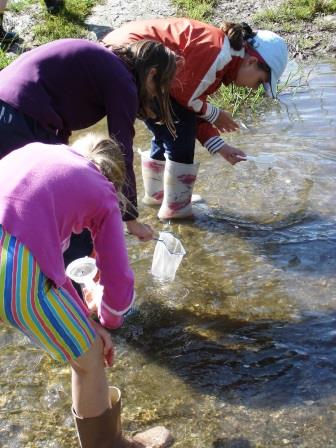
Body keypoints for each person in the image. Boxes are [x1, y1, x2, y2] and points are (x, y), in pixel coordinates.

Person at [0, 134, 173, 448]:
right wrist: (108, 321)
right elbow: (119, 280)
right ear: (114, 181)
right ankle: (110, 446)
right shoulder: (102, 191)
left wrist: (86, 321)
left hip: (14, 253)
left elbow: (52, 269)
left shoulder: (41, 154)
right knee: (88, 356)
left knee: (84, 340)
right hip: (12, 270)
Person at [0, 37, 177, 266]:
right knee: (71, 217)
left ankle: (24, 276)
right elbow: (122, 151)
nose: (154, 96)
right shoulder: (123, 81)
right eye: (159, 89)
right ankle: (71, 290)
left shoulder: (106, 62)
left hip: (11, 108)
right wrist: (131, 218)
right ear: (152, 73)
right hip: (17, 118)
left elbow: (60, 118)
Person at [103, 18, 288, 219]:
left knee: (166, 130)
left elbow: (188, 105)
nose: (254, 88)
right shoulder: (218, 53)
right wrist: (215, 114)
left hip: (123, 58)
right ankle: (176, 210)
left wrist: (219, 146)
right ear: (251, 61)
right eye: (260, 81)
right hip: (126, 61)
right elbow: (186, 98)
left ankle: (157, 195)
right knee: (180, 133)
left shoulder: (220, 56)